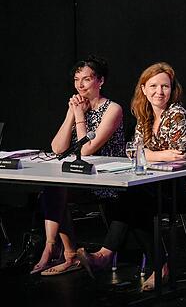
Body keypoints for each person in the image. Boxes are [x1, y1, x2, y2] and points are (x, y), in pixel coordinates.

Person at [78, 62, 186, 291]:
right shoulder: (144, 115)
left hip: (181, 187)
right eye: (153, 86)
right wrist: (157, 155)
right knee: (133, 199)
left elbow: (179, 154)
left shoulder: (176, 113)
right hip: (153, 184)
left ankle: (107, 255)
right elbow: (134, 151)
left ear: (172, 89)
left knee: (133, 199)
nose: (159, 92)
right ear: (143, 89)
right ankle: (158, 264)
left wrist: (150, 155)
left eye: (165, 86)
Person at [32, 55, 125, 276]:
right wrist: (71, 115)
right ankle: (61, 250)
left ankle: (57, 251)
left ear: (100, 81)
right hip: (79, 178)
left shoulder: (113, 109)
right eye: (76, 80)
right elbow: (57, 148)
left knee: (57, 189)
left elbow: (86, 149)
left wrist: (79, 116)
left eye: (86, 79)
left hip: (105, 180)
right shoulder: (77, 107)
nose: (80, 85)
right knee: (53, 187)